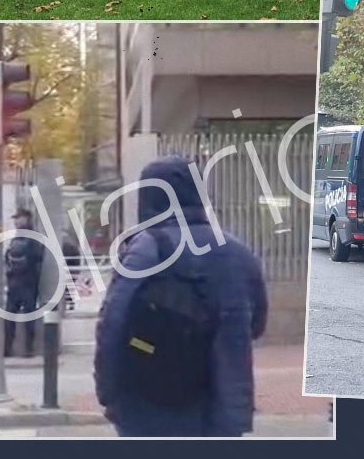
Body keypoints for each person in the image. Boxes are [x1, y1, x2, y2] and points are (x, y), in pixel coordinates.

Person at [96, 157, 267, 437]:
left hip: (150, 403)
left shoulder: (146, 249)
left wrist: (109, 393)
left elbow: (113, 322)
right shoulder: (239, 252)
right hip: (225, 405)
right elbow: (257, 324)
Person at [3, 207, 46, 357]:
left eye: (19, 218)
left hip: (28, 282)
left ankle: (29, 348)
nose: (16, 222)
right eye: (15, 219)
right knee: (9, 317)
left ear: (27, 219)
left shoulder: (33, 238)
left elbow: (36, 258)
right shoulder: (16, 238)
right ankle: (7, 348)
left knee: (29, 317)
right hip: (15, 282)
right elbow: (7, 257)